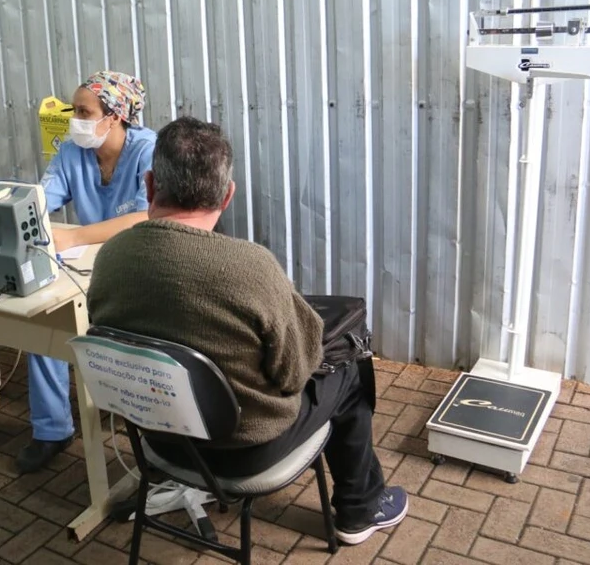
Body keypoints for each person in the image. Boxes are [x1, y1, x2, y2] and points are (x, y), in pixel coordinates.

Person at [86, 117, 408, 545]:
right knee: (347, 365)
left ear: (149, 185)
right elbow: (295, 373)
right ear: (228, 194)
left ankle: (359, 504)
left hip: (160, 442)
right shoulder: (251, 267)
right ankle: (359, 509)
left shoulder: (111, 258)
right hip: (245, 452)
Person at [19, 70, 156, 473]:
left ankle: (151, 436)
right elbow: (42, 201)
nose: (73, 119)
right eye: (73, 109)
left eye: (83, 111)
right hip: (85, 270)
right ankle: (52, 430)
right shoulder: (73, 152)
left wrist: (73, 236)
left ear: (114, 116)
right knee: (44, 320)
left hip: (135, 270)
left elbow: (144, 217)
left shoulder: (148, 150)